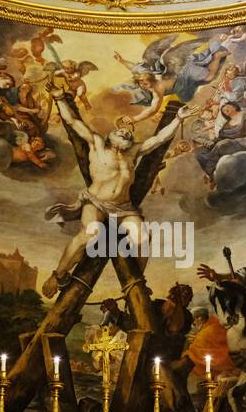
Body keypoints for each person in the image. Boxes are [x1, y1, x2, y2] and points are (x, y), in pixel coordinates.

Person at [40, 87, 181, 297]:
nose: (125, 132)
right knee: (90, 233)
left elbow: (159, 139)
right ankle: (59, 274)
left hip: (124, 208)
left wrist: (178, 119)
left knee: (142, 238)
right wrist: (60, 98)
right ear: (111, 135)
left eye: (128, 132)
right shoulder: (97, 144)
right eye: (121, 131)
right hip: (96, 203)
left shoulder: (132, 152)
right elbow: (73, 122)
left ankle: (136, 284)